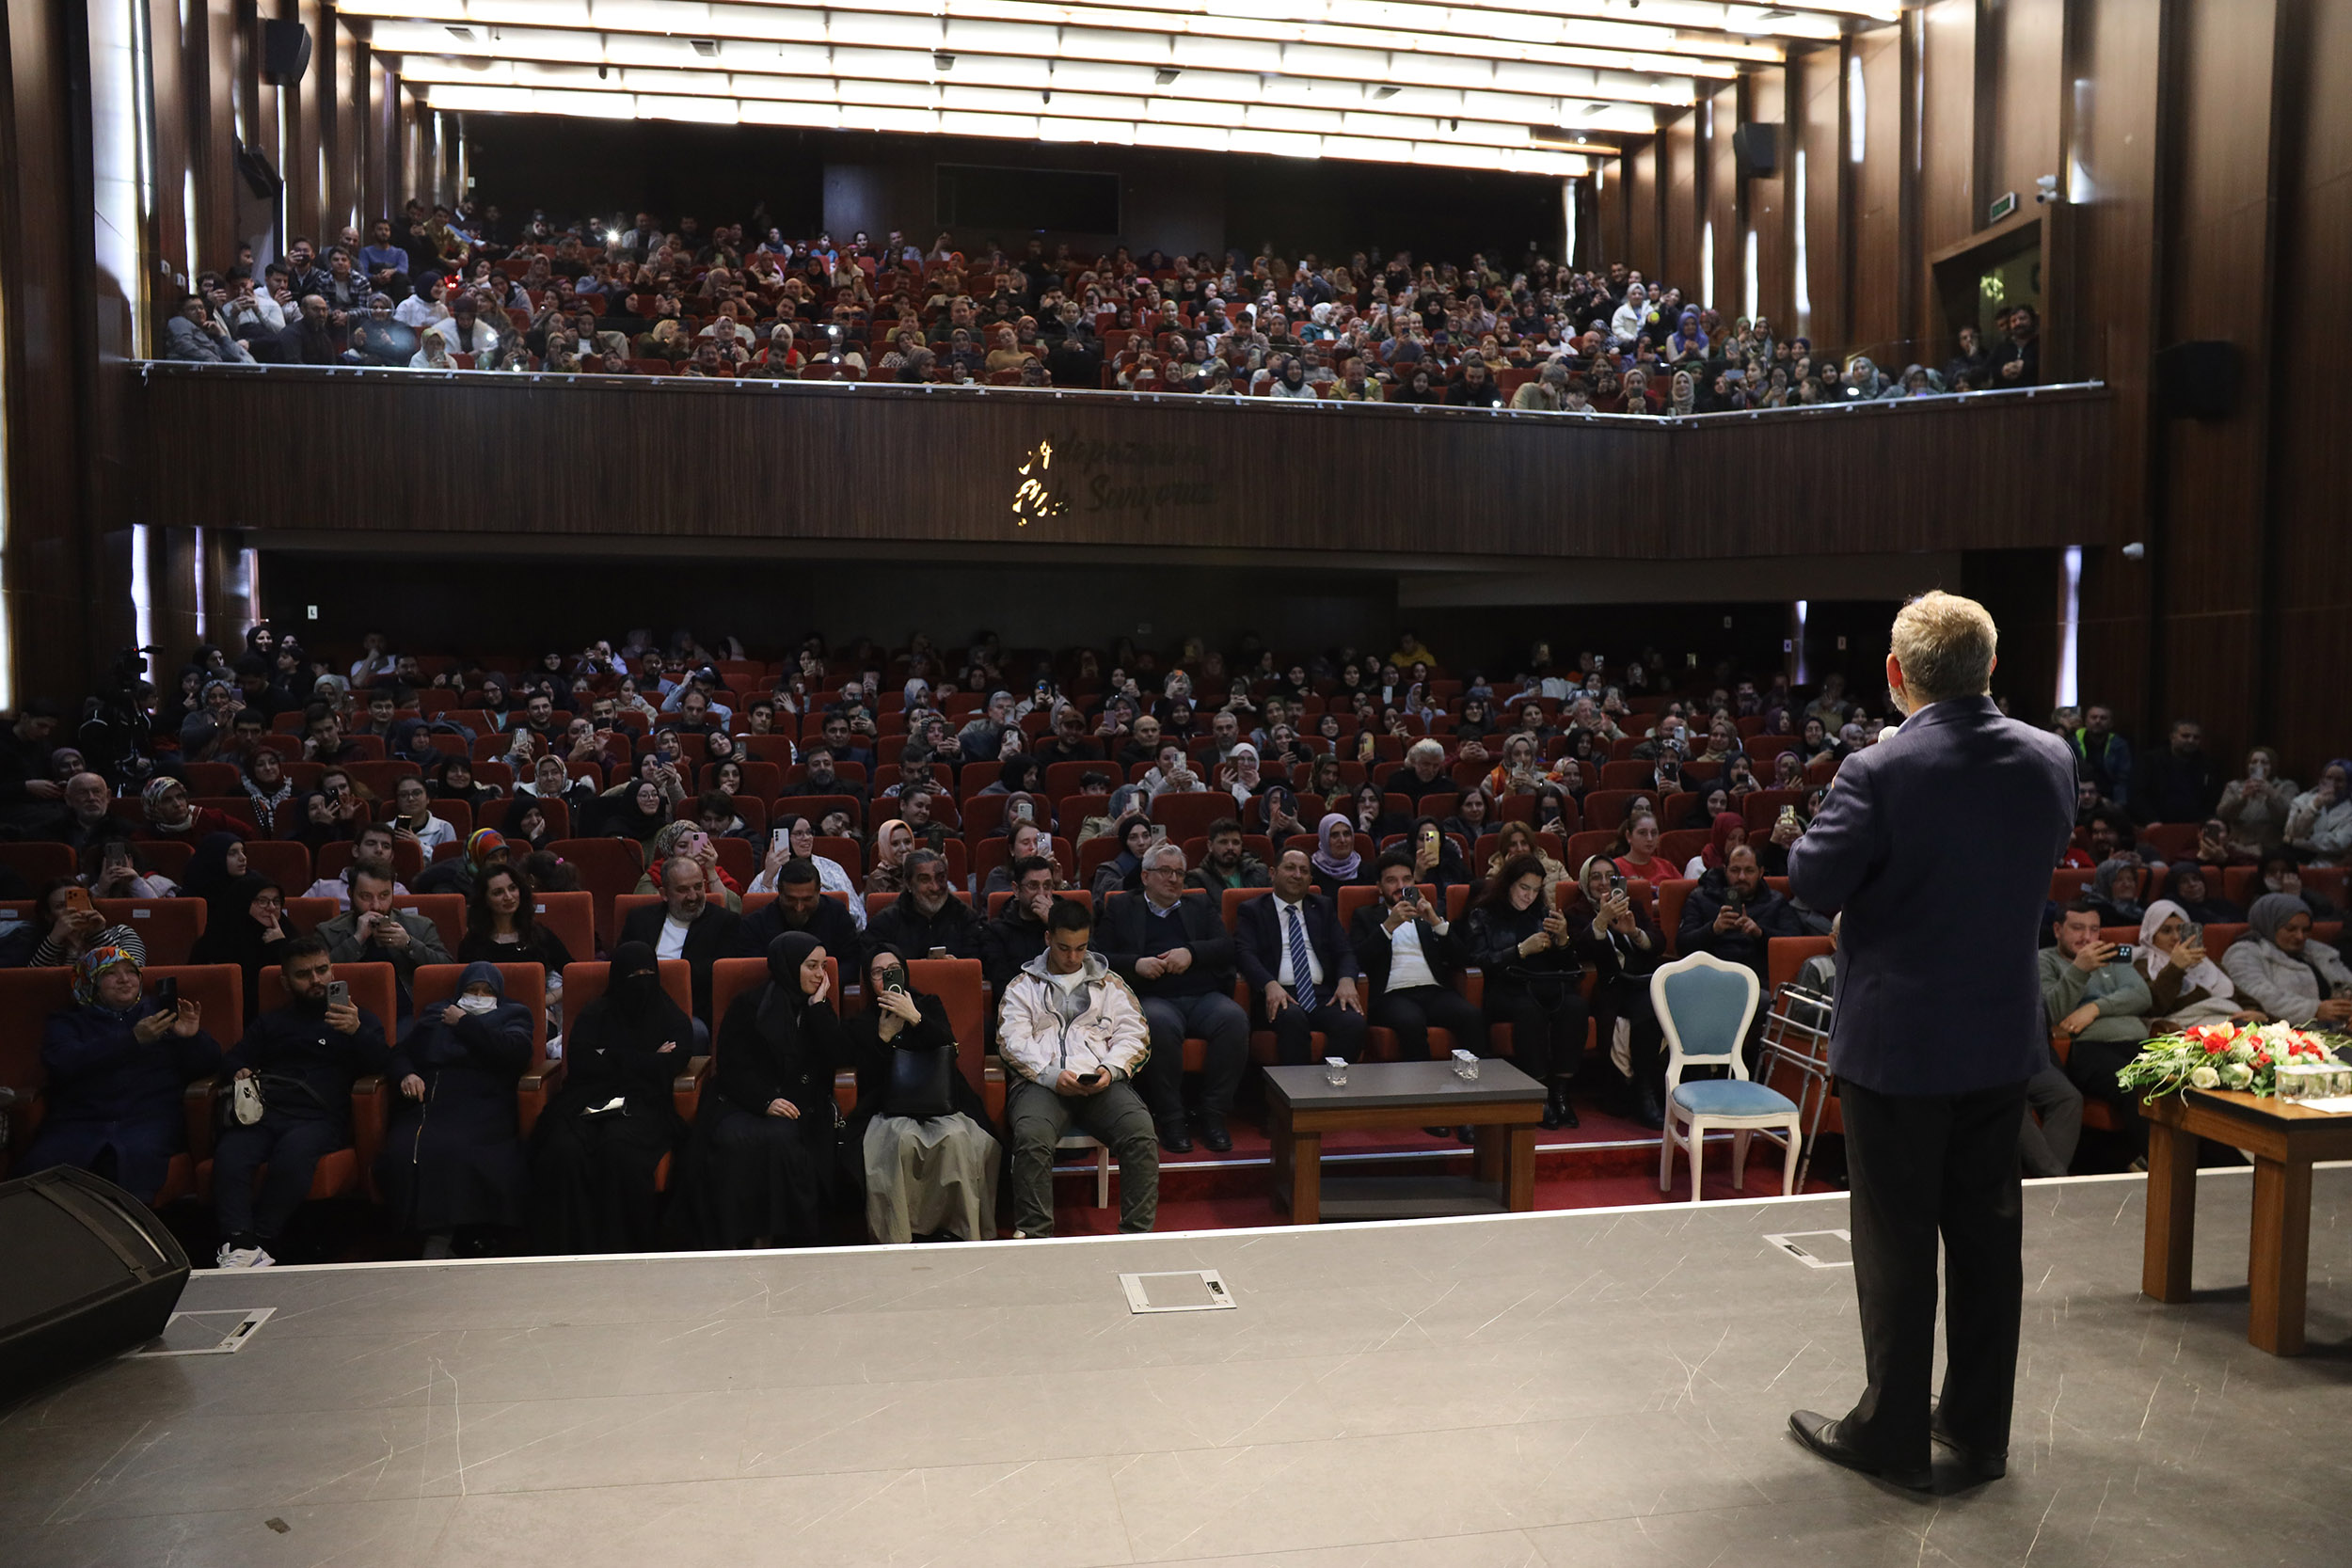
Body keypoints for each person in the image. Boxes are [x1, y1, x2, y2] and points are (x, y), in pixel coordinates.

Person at [1784, 591, 2075, 1490]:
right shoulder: (2051, 758)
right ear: (1992, 667)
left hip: (1900, 1045)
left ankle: (1893, 1431)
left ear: (1894, 676)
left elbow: (1810, 881)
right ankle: (1979, 1429)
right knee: (1988, 1236)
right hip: (1998, 1036)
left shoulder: (1880, 769)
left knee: (1898, 1239)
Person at [214, 939, 393, 1268]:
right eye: (304, 974)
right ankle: (238, 1243)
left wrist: (356, 1033)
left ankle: (261, 1241)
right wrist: (237, 1069)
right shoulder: (272, 1022)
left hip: (319, 1117)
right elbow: (235, 1056)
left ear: (333, 971)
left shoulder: (357, 1018)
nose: (316, 981)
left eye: (322, 970)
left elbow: (383, 1066)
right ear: (286, 982)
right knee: (231, 1154)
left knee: (292, 1156)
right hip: (268, 1110)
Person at [667, 933, 846, 1248]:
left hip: (800, 1104)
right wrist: (765, 1100)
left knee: (781, 1140)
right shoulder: (749, 1005)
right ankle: (732, 1237)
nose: (820, 975)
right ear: (789, 966)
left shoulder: (819, 1009)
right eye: (811, 966)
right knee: (733, 1139)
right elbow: (732, 1065)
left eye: (823, 967)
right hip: (744, 1100)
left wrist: (818, 1009)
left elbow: (838, 1056)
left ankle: (772, 1238)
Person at [996, 898, 1158, 1237]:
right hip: (1041, 1084)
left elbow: (1135, 1034)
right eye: (1064, 948)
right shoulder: (1021, 987)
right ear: (1047, 939)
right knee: (1031, 1137)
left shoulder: (1110, 984)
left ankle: (1138, 1235)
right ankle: (1036, 1235)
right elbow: (1011, 1042)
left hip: (1101, 1081)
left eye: (1081, 948)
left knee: (1141, 1132)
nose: (1073, 957)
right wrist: (1052, 1075)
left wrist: (1111, 1069)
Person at [19, 946, 219, 1202]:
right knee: (43, 1170)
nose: (124, 979)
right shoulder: (68, 1021)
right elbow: (62, 1063)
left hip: (148, 1117)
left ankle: (126, 1238)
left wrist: (192, 1039)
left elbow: (209, 1066)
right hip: (80, 1119)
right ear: (91, 982)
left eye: (131, 972)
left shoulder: (159, 1012)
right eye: (110, 974)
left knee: (132, 1162)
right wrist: (132, 1040)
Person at [528, 941, 687, 1255]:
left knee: (619, 1151)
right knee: (563, 1150)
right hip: (585, 1098)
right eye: (633, 974)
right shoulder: (595, 1013)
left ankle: (623, 1250)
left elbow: (672, 1064)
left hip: (643, 1103)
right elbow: (582, 1062)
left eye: (647, 973)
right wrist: (646, 1059)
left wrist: (611, 1056)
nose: (640, 981)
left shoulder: (670, 1017)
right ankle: (565, 1250)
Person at [1096, 841, 1249, 1152]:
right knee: (1159, 1024)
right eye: (1165, 871)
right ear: (1145, 876)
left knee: (1234, 1019)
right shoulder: (1122, 906)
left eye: (1179, 872)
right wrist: (1136, 964)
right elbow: (1099, 957)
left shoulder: (1199, 905)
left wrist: (1191, 953)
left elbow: (1226, 946)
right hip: (1152, 997)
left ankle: (1213, 1115)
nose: (1174, 879)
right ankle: (1172, 1118)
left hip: (1201, 995)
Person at [376, 961, 532, 1256]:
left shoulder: (514, 1014)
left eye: (486, 991)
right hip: (432, 1099)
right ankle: (413, 1234)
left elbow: (515, 1053)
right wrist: (407, 1074)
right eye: (472, 989)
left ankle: (443, 1237)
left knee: (456, 1148)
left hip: (484, 1100)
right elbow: (400, 1053)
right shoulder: (436, 1012)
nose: (478, 995)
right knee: (403, 1148)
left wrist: (464, 1023)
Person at [848, 944, 999, 1243]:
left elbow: (948, 1047)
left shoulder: (927, 1004)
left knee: (956, 1140)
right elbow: (866, 1077)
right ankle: (903, 1232)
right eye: (878, 973)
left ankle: (958, 1228)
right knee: (899, 1142)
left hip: (941, 1102)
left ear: (904, 973)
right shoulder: (863, 1021)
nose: (886, 978)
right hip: (888, 1106)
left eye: (893, 970)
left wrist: (915, 1017)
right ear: (869, 981)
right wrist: (884, 1038)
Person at [1351, 851, 1488, 1136]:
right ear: (1379, 887)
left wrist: (1437, 921)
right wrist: (1389, 926)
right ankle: (1429, 1106)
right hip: (1391, 994)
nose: (1399, 886)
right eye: (1391, 881)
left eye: (1406, 879)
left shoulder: (1428, 915)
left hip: (1433, 990)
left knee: (1471, 1016)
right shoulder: (1366, 916)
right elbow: (1357, 960)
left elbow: (1463, 958)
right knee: (1411, 1022)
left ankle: (1468, 1106)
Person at [1461, 853, 1586, 1128]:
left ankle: (1561, 1092)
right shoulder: (1483, 914)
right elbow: (1477, 960)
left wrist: (1563, 940)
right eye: (1523, 888)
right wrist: (1519, 951)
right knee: (1529, 1010)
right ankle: (1538, 1093)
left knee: (1575, 1006)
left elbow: (1566, 965)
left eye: (1535, 890)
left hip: (1546, 984)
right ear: (1508, 883)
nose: (1529, 896)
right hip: (1506, 988)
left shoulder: (1543, 914)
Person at [1566, 856, 1667, 1128]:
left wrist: (1634, 932)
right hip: (1611, 985)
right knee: (1650, 1007)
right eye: (1595, 877)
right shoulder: (1576, 912)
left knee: (1654, 1003)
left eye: (1609, 877)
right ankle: (1644, 1093)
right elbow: (1578, 950)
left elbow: (1659, 942)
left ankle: (1646, 1089)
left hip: (1643, 979)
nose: (1602, 883)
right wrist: (1601, 920)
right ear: (1585, 882)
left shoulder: (1632, 905)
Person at [616, 855, 740, 1033]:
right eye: (683, 890)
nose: (692, 896)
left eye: (698, 887)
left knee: (694, 1032)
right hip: (638, 1005)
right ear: (664, 894)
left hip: (690, 1010)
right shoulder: (639, 919)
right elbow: (622, 965)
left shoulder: (723, 922)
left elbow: (720, 973)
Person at [1676, 845, 1805, 994]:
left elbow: (1794, 944)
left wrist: (1760, 934)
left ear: (1761, 872)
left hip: (1758, 982)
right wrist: (1713, 929)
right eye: (1735, 870)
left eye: (1749, 871)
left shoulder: (1775, 901)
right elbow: (1682, 945)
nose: (1741, 877)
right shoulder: (1700, 897)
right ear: (1725, 870)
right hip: (1710, 981)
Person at [2221, 894, 2352, 1032]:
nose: (2300, 936)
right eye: (2291, 929)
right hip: (2285, 1034)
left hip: (2340, 1032)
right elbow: (2258, 994)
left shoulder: (2318, 951)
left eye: (2306, 930)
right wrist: (2313, 1011)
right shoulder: (2243, 952)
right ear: (2270, 924)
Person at [187, 875, 290, 1014]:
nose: (271, 907)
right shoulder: (214, 942)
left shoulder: (288, 934)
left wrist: (280, 945)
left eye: (276, 901)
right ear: (243, 902)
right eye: (262, 901)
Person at [734, 855, 860, 961]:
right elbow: (753, 971)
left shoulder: (838, 915)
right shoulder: (755, 925)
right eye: (791, 900)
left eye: (807, 899)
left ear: (819, 891)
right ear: (779, 891)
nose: (799, 908)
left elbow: (852, 962)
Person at [866, 847, 983, 959]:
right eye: (925, 880)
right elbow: (879, 973)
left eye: (940, 878)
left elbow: (978, 967)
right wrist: (915, 972)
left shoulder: (966, 918)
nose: (935, 887)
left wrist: (956, 969)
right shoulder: (884, 923)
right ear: (908, 884)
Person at [979, 854, 1059, 996]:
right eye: (1033, 886)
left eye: (1047, 886)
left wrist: (1054, 923)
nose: (1041, 894)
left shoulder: (1068, 921)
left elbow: (1088, 961)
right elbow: (1002, 985)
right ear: (1016, 890)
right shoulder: (996, 931)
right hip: (1018, 1008)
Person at [1187, 817, 1270, 894]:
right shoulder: (1197, 879)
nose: (1230, 847)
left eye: (1236, 843)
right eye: (1223, 842)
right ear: (1210, 846)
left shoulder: (1258, 872)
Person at [1307, 812, 1369, 901]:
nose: (1342, 840)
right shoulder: (1311, 873)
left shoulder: (1368, 871)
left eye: (1347, 834)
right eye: (1335, 835)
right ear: (1324, 839)